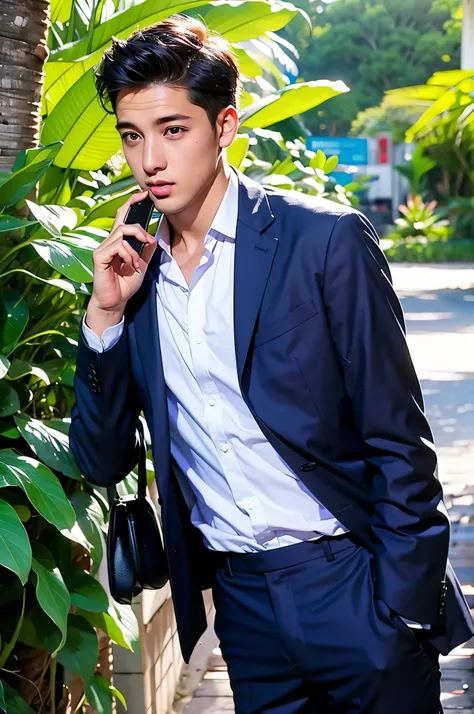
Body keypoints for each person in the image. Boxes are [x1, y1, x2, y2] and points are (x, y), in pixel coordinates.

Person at [69, 13, 474, 714]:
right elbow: (102, 463)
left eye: (174, 130)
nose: (150, 161)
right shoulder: (132, 275)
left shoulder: (323, 241)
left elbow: (400, 441)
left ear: (224, 126)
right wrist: (103, 318)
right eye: (133, 137)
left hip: (353, 585)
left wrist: (400, 613)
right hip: (244, 608)